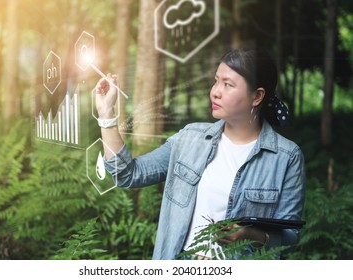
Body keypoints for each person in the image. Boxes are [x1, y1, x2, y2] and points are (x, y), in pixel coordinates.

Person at [94, 47, 305, 260]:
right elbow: (127, 174)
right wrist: (106, 115)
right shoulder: (189, 138)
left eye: (228, 84)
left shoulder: (287, 157)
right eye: (216, 80)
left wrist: (248, 234)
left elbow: (290, 237)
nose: (215, 91)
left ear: (257, 96)